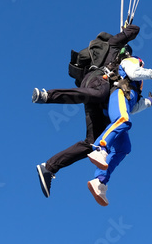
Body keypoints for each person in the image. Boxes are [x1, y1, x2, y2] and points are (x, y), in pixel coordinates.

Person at [31, 24, 140, 198]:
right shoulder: (113, 44)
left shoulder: (121, 69)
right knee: (99, 93)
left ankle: (49, 167)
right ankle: (47, 95)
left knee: (91, 143)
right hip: (97, 80)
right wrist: (128, 29)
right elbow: (133, 31)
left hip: (97, 95)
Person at [86, 47, 152, 207]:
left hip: (123, 102)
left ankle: (100, 181)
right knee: (124, 119)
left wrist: (150, 101)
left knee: (124, 148)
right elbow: (134, 73)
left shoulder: (135, 88)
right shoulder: (132, 62)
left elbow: (134, 106)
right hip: (117, 96)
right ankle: (101, 148)